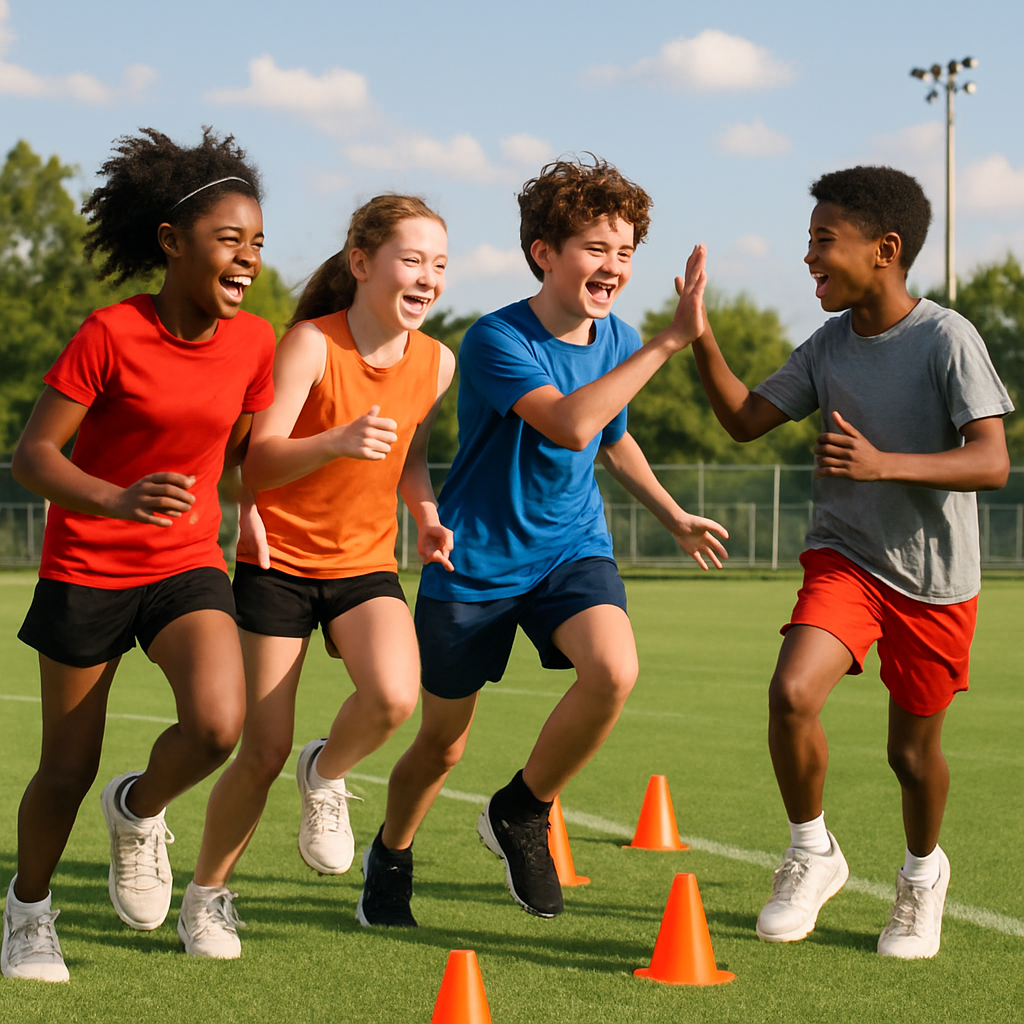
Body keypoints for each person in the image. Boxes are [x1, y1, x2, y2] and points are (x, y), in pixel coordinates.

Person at [355, 156, 729, 928]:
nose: (614, 266)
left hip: (569, 549)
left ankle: (522, 810)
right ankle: (392, 852)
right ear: (544, 254)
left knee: (614, 669)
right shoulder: (496, 338)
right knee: (441, 747)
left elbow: (610, 440)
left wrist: (671, 513)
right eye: (596, 248)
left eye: (626, 252)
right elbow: (569, 421)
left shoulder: (618, 334)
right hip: (477, 561)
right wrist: (668, 344)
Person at [688, 165, 1012, 959]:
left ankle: (922, 876)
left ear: (886, 250)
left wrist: (884, 463)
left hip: (936, 581)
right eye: (807, 242)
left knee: (911, 754)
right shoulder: (828, 345)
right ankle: (810, 852)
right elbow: (742, 420)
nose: (809, 258)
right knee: (792, 691)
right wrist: (695, 331)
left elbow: (992, 461)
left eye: (823, 241)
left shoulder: (946, 337)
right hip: (846, 560)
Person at [1, 128, 276, 983]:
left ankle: (139, 808)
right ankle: (29, 912)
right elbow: (33, 457)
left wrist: (253, 511)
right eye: (229, 240)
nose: (247, 260)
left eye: (257, 244)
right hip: (87, 565)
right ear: (172, 242)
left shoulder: (256, 345)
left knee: (218, 725)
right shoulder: (110, 333)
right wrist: (115, 497)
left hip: (185, 563)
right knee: (66, 766)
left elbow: (236, 456)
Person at [176, 195, 455, 958]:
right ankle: (205, 898)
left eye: (438, 264)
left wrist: (425, 514)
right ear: (362, 264)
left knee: (397, 695)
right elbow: (258, 458)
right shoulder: (308, 345)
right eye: (412, 259)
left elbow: (412, 460)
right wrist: (334, 440)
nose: (428, 277)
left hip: (366, 561)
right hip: (279, 562)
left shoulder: (438, 361)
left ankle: (325, 772)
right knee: (260, 752)